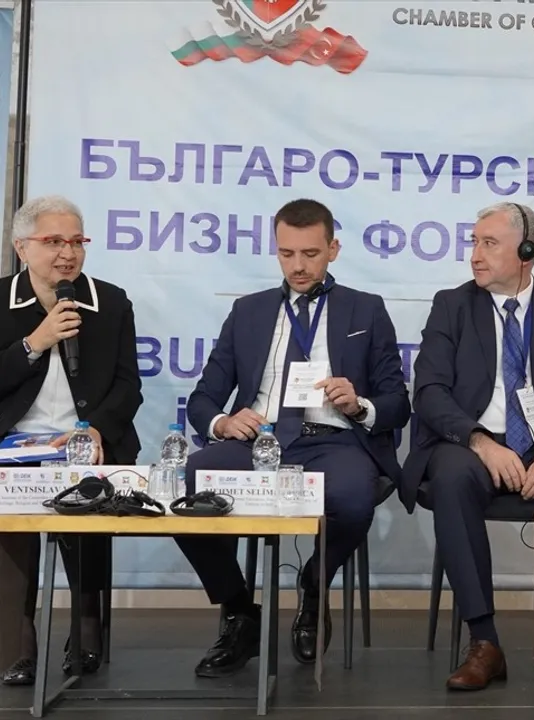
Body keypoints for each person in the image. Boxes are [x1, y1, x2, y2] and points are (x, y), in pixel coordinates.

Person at [173, 198, 410, 677]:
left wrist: (358, 404)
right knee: (191, 483)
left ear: (333, 250)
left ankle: (315, 585)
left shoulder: (366, 310)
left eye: (310, 253)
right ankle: (240, 610)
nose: (298, 266)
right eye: (287, 254)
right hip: (260, 441)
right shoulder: (248, 311)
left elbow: (397, 403)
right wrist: (223, 423)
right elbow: (202, 399)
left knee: (353, 499)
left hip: (333, 439)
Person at [399, 202, 534, 691]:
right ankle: (485, 640)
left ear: (526, 251)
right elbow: (430, 391)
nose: (475, 255)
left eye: (489, 244)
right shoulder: (452, 305)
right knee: (452, 476)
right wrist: (480, 442)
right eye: (474, 242)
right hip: (471, 443)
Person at [0, 195, 143, 684]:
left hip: (85, 443)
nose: (68, 253)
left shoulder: (111, 302)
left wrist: (96, 428)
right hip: (13, 446)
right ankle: (16, 638)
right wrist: (34, 343)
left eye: (77, 241)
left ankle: (86, 626)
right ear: (22, 247)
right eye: (54, 241)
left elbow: (128, 385)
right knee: (11, 527)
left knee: (88, 507)